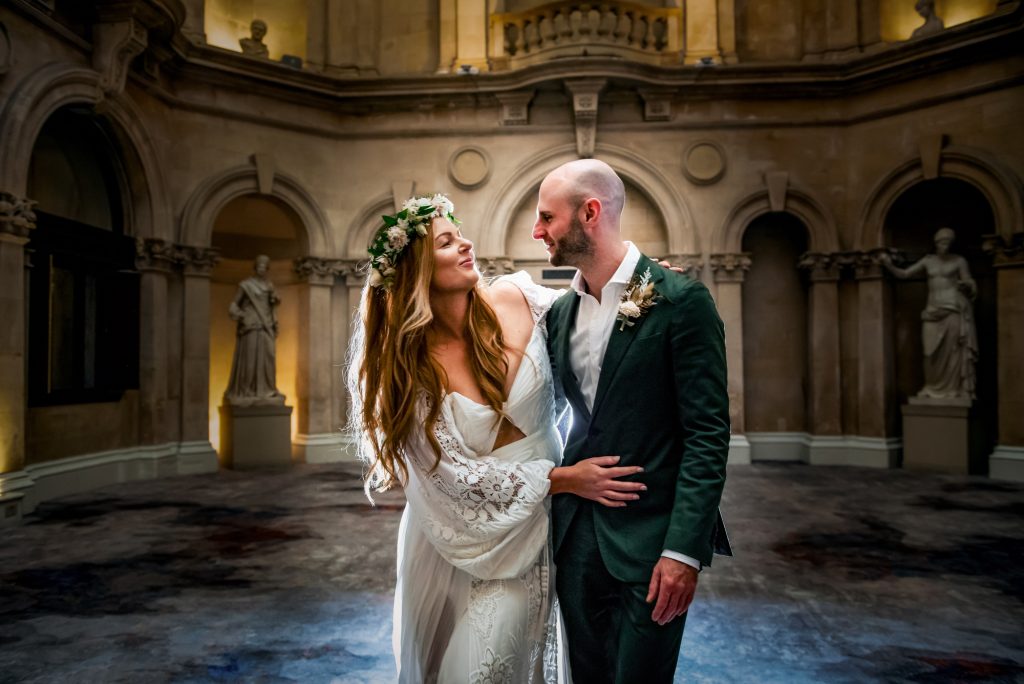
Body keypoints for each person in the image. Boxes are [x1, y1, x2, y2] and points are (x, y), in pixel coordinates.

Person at [347, 194, 644, 683]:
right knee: (477, 670)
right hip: (460, 535)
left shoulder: (518, 298)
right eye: (446, 242)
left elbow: (599, 319)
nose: (465, 244)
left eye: (458, 232)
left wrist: (644, 288)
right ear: (417, 271)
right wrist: (563, 479)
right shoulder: (408, 369)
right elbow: (453, 479)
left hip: (545, 521)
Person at [536, 159, 731, 683]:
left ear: (590, 213)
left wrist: (683, 552)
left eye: (547, 218)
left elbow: (707, 436)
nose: (538, 231)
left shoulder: (681, 302)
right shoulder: (558, 313)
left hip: (652, 547)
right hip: (576, 541)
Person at [879, 227, 978, 400]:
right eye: (941, 242)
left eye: (947, 242)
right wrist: (888, 264)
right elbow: (904, 274)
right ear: (935, 243)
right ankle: (931, 387)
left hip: (952, 308)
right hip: (932, 311)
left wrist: (968, 285)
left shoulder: (959, 261)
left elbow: (969, 280)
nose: (944, 246)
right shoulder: (928, 261)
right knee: (929, 352)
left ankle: (953, 390)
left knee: (953, 351)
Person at [225, 254, 285, 406]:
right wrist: (242, 316)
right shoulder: (246, 285)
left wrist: (274, 300)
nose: (262, 269)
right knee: (250, 361)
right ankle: (247, 392)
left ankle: (268, 390)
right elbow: (233, 306)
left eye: (265, 266)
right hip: (251, 327)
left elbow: (273, 305)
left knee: (268, 359)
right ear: (255, 267)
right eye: (259, 266)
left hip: (266, 327)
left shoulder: (270, 286)